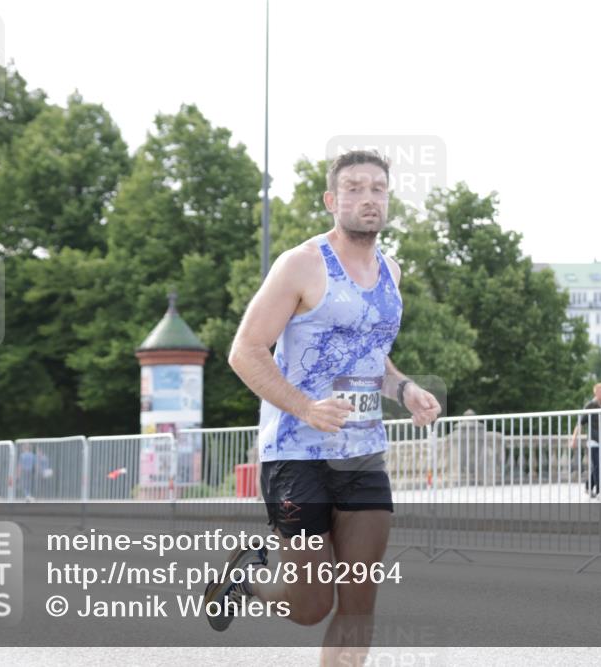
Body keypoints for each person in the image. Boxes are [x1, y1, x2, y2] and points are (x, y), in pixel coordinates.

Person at [210, 149, 441, 665]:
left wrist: (404, 389)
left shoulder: (392, 272)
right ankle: (247, 581)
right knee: (311, 605)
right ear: (332, 200)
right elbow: (245, 350)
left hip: (363, 456)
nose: (368, 198)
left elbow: (371, 355)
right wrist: (306, 408)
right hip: (297, 457)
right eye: (354, 189)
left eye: (378, 188)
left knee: (359, 603)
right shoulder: (302, 264)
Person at [569, 382, 601, 499]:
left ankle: (588, 486)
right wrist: (574, 438)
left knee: (599, 466)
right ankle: (599, 491)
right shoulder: (590, 406)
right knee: (598, 466)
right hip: (593, 441)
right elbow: (580, 423)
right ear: (596, 393)